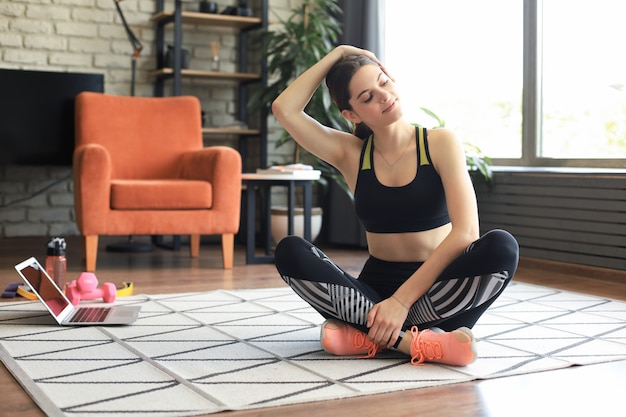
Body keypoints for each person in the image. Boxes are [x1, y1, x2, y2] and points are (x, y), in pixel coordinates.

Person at [271, 45, 519, 366]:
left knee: (502, 247)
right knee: (290, 250)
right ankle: (414, 342)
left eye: (383, 83)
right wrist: (337, 53)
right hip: (378, 287)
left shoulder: (440, 142)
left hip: (440, 287)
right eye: (367, 97)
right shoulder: (350, 153)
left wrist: (400, 303)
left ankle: (367, 333)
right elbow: (284, 109)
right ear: (352, 115)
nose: (383, 96)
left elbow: (466, 232)